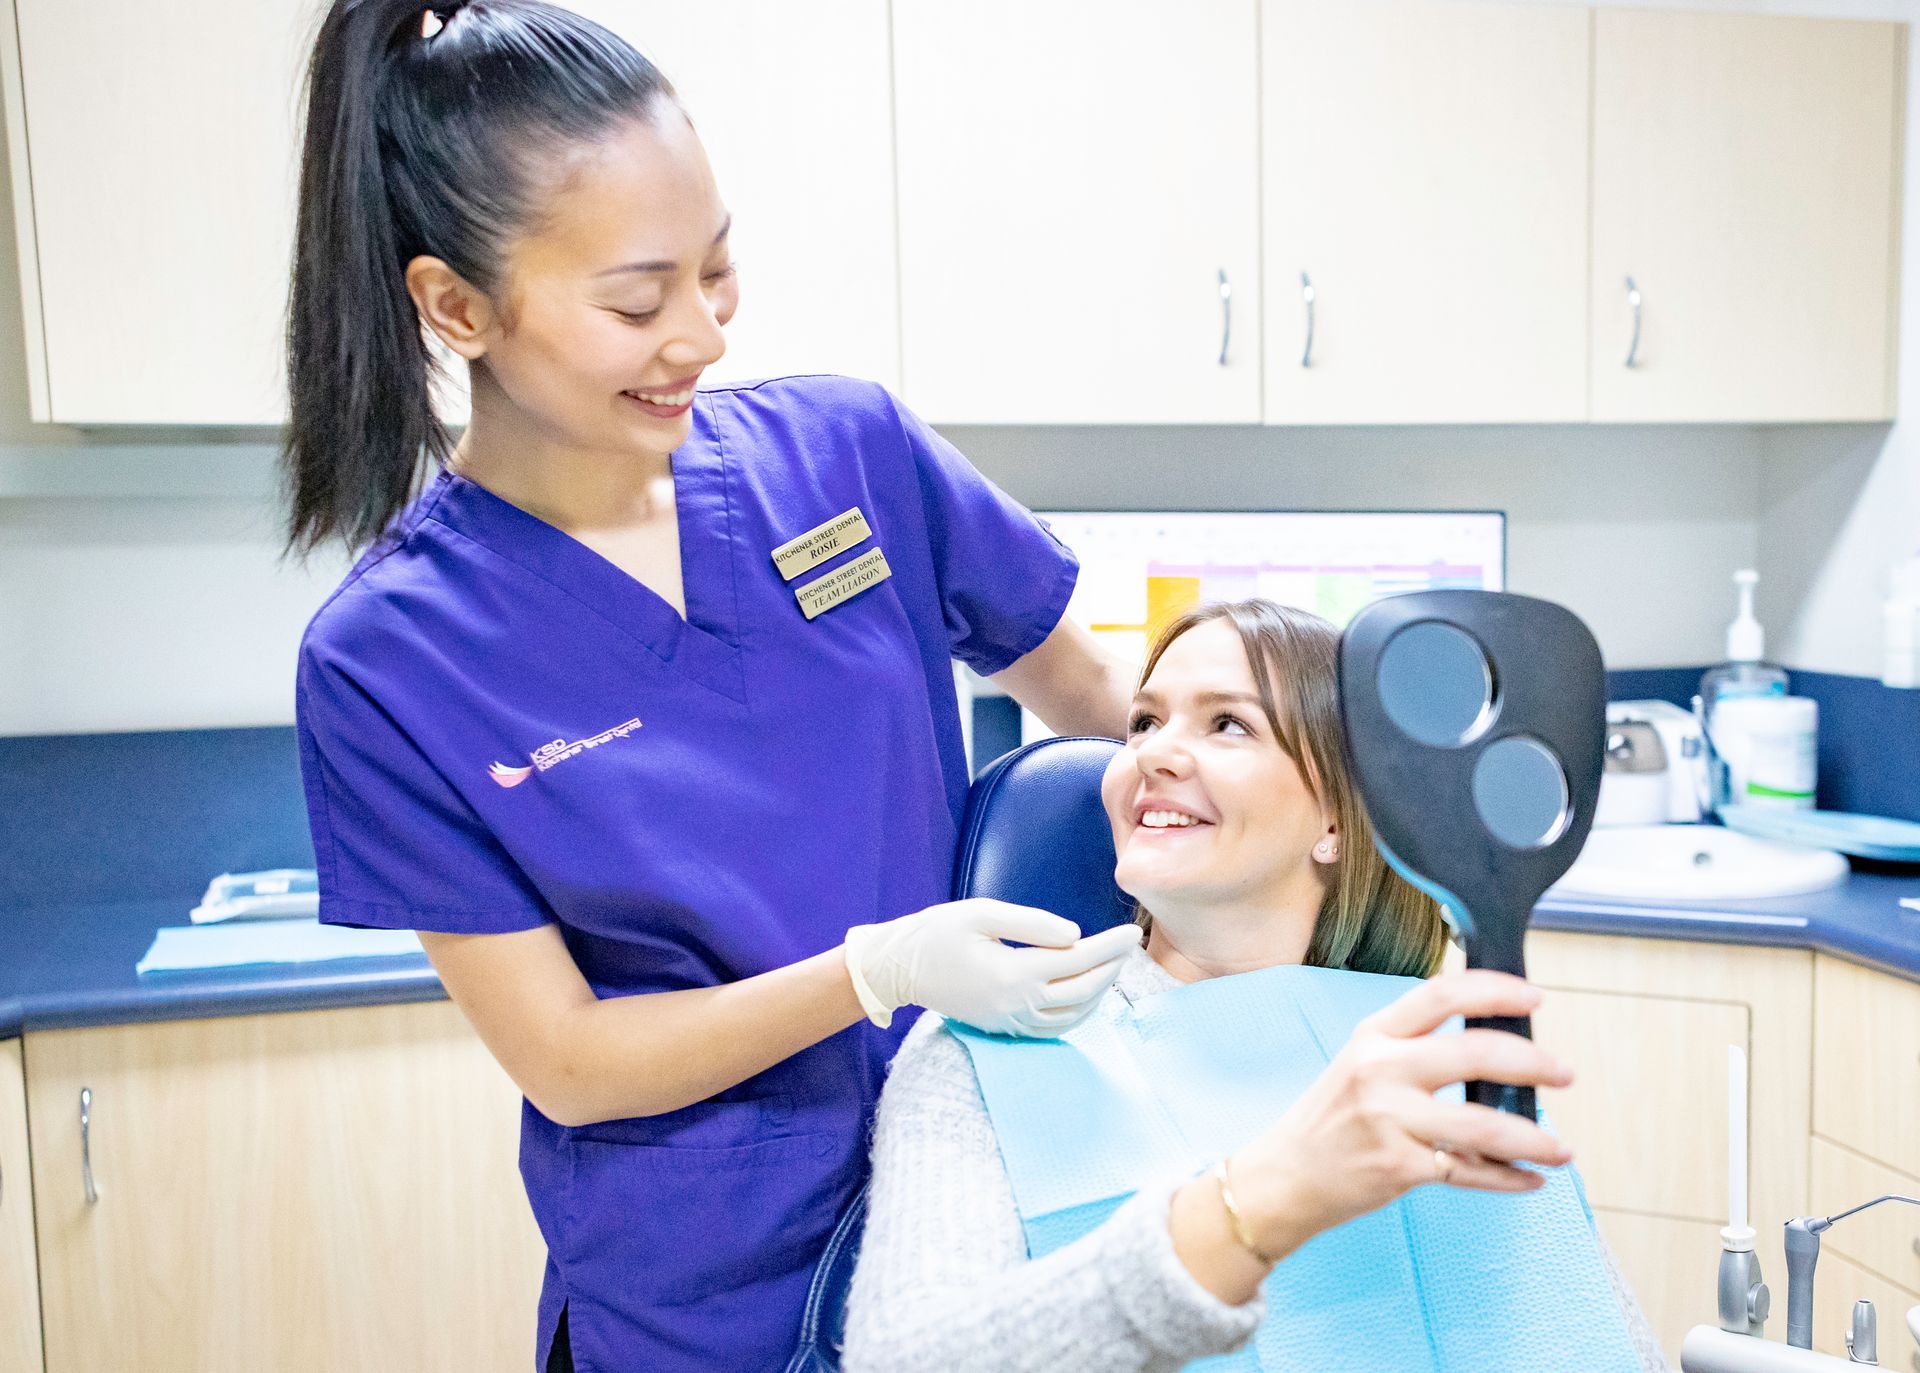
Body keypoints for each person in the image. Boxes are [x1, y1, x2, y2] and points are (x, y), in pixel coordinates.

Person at [281, 3, 1142, 1368]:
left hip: (990, 1203)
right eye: (637, 299)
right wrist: (875, 973)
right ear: (455, 305)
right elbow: (564, 1056)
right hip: (710, 1292)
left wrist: (1281, 754)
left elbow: (1101, 696)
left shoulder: (846, 453)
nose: (704, 335)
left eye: (718, 270)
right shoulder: (390, 660)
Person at [843, 599, 1669, 1373]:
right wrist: (1261, 1201)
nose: (1151, 752)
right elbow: (902, 1358)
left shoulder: (1438, 1059)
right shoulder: (989, 1049)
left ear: (1340, 820)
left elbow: (1591, 1331)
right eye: (1145, 721)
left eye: (1228, 724)